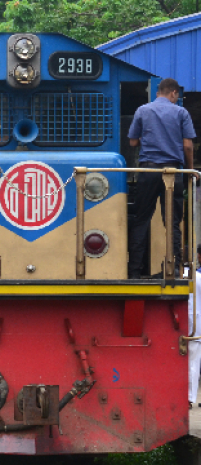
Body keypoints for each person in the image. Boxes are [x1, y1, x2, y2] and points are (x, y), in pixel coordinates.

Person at [128, 78, 198, 279]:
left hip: (148, 171)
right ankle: (174, 268)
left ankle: (134, 271)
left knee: (141, 220)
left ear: (159, 92)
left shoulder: (142, 110)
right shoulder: (181, 113)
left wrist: (149, 139)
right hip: (173, 172)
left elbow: (132, 142)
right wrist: (190, 170)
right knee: (173, 222)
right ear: (173, 92)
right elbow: (187, 146)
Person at [190, 246, 201, 408]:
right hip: (196, 324)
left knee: (193, 361)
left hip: (195, 324)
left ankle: (189, 397)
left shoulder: (195, 276)